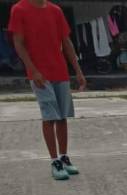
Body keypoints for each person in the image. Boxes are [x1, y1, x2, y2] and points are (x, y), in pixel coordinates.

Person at [9, 0, 87, 180]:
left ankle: (64, 157)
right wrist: (32, 70)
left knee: (62, 117)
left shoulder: (56, 10)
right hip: (39, 74)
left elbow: (66, 41)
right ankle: (54, 161)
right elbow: (18, 43)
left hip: (60, 71)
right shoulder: (19, 9)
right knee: (49, 116)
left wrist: (78, 70)